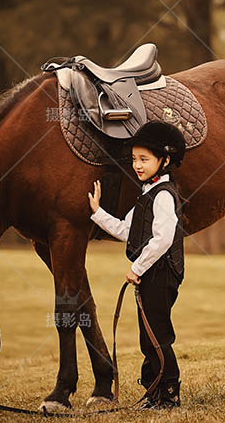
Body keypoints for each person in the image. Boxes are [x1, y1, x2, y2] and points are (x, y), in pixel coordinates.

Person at [87, 120, 187, 409]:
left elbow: (163, 239)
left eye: (144, 159)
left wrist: (137, 268)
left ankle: (169, 394)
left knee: (158, 335)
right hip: (150, 274)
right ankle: (154, 392)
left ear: (164, 160)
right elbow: (123, 230)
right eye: (134, 159)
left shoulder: (165, 195)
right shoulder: (147, 192)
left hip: (161, 273)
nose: (138, 165)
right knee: (148, 336)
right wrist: (97, 213)